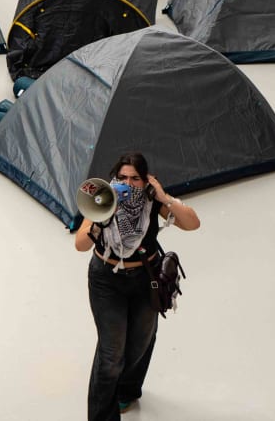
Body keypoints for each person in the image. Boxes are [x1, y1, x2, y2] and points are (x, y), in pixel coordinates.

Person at [73, 153, 200, 419]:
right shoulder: (102, 198)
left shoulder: (152, 202)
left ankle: (126, 391)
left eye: (135, 179)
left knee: (140, 343)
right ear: (114, 178)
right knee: (111, 353)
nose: (128, 184)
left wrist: (164, 197)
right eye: (122, 178)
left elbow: (192, 224)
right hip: (106, 281)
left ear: (146, 181)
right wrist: (100, 220)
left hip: (145, 278)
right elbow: (80, 245)